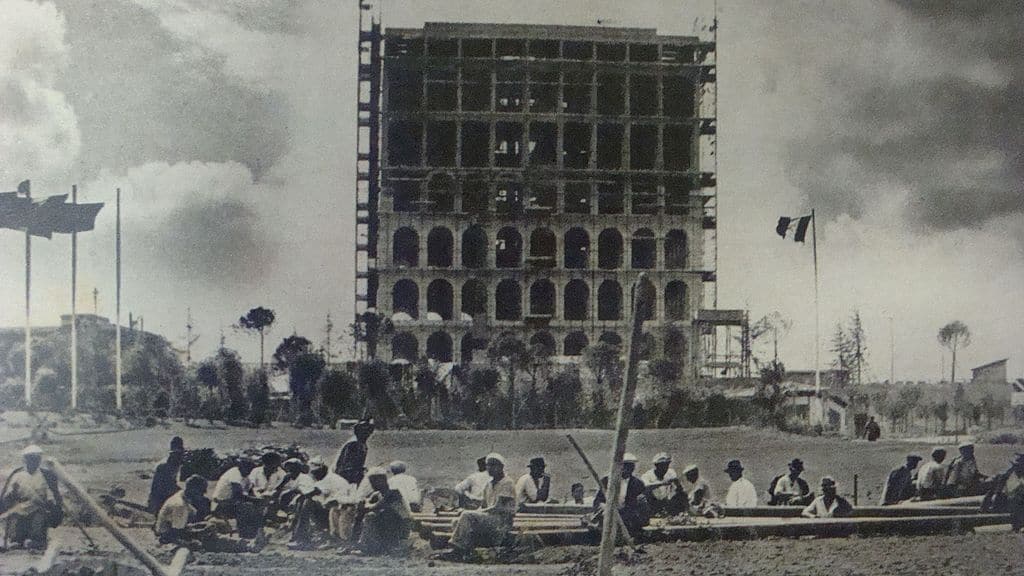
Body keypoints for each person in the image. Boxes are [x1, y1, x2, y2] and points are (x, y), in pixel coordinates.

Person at [156, 475, 260, 552]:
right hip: (168, 537)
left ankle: (246, 543)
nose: (202, 495)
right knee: (212, 540)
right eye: (200, 492)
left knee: (211, 527)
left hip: (176, 530)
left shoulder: (183, 496)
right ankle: (247, 546)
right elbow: (175, 533)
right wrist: (195, 537)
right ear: (192, 490)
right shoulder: (179, 505)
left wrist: (200, 527)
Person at [447, 453, 517, 557]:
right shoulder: (489, 484)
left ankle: (457, 551)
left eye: (493, 465)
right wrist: (475, 511)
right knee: (456, 521)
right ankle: (466, 552)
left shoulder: (507, 482)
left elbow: (498, 507)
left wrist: (474, 513)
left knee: (467, 516)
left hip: (501, 522)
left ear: (501, 467)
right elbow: (483, 506)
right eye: (488, 465)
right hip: (490, 519)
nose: (489, 468)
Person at [0, 445, 63, 549]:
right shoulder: (17, 475)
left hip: (39, 508)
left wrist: (54, 510)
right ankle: (17, 539)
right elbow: (8, 495)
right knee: (14, 519)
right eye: (30, 459)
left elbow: (53, 496)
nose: (33, 462)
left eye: (36, 459)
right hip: (21, 508)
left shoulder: (46, 475)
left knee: (38, 524)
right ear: (25, 460)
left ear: (39, 460)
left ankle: (37, 541)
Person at [593, 453, 650, 539]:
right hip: (609, 513)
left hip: (628, 514)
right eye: (624, 466)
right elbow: (598, 500)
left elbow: (639, 503)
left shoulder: (638, 483)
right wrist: (604, 506)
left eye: (630, 466)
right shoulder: (607, 481)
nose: (627, 469)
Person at [358, 467, 412, 555]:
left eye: (374, 481)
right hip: (389, 524)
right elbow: (368, 504)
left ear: (382, 480)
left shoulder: (393, 493)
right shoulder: (378, 494)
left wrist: (365, 507)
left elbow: (377, 506)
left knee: (371, 516)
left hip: (402, 525)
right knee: (371, 515)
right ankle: (369, 546)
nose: (372, 485)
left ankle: (368, 547)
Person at [981, 453, 1024, 531]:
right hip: (1009, 504)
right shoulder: (1006, 476)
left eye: (1019, 466)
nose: (1017, 468)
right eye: (1015, 466)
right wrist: (996, 495)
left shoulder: (1018, 477)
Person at [148, 437, 186, 514]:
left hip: (164, 498)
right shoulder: (164, 466)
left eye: (180, 454)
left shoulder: (174, 464)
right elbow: (166, 487)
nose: (180, 457)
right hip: (158, 502)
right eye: (178, 454)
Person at [334, 418, 374, 486]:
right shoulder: (354, 444)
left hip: (351, 474)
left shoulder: (361, 443)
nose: (368, 435)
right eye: (365, 432)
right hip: (345, 477)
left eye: (369, 432)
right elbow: (346, 465)